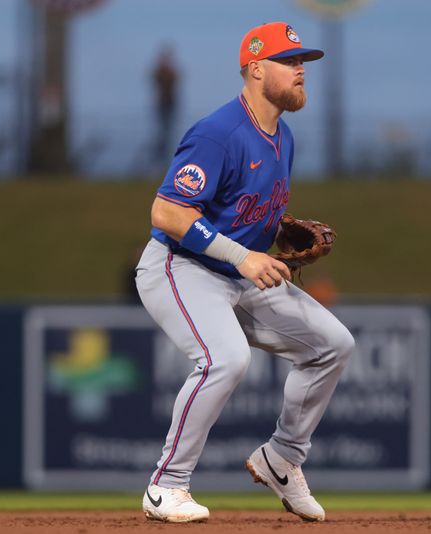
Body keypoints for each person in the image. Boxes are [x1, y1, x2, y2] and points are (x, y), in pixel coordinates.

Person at [135, 22, 354, 524]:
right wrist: (244, 256)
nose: (301, 71)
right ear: (256, 69)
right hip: (180, 266)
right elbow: (167, 212)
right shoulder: (219, 133)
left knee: (333, 345)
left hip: (239, 276)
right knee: (225, 359)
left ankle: (282, 459)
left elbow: (245, 209)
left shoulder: (284, 138)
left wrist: (274, 232)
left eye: (303, 62)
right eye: (289, 61)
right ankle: (166, 485)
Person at [152, 46, 179, 161]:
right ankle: (160, 158)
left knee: (167, 132)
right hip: (163, 104)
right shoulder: (160, 72)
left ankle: (164, 157)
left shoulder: (170, 72)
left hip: (169, 104)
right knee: (162, 132)